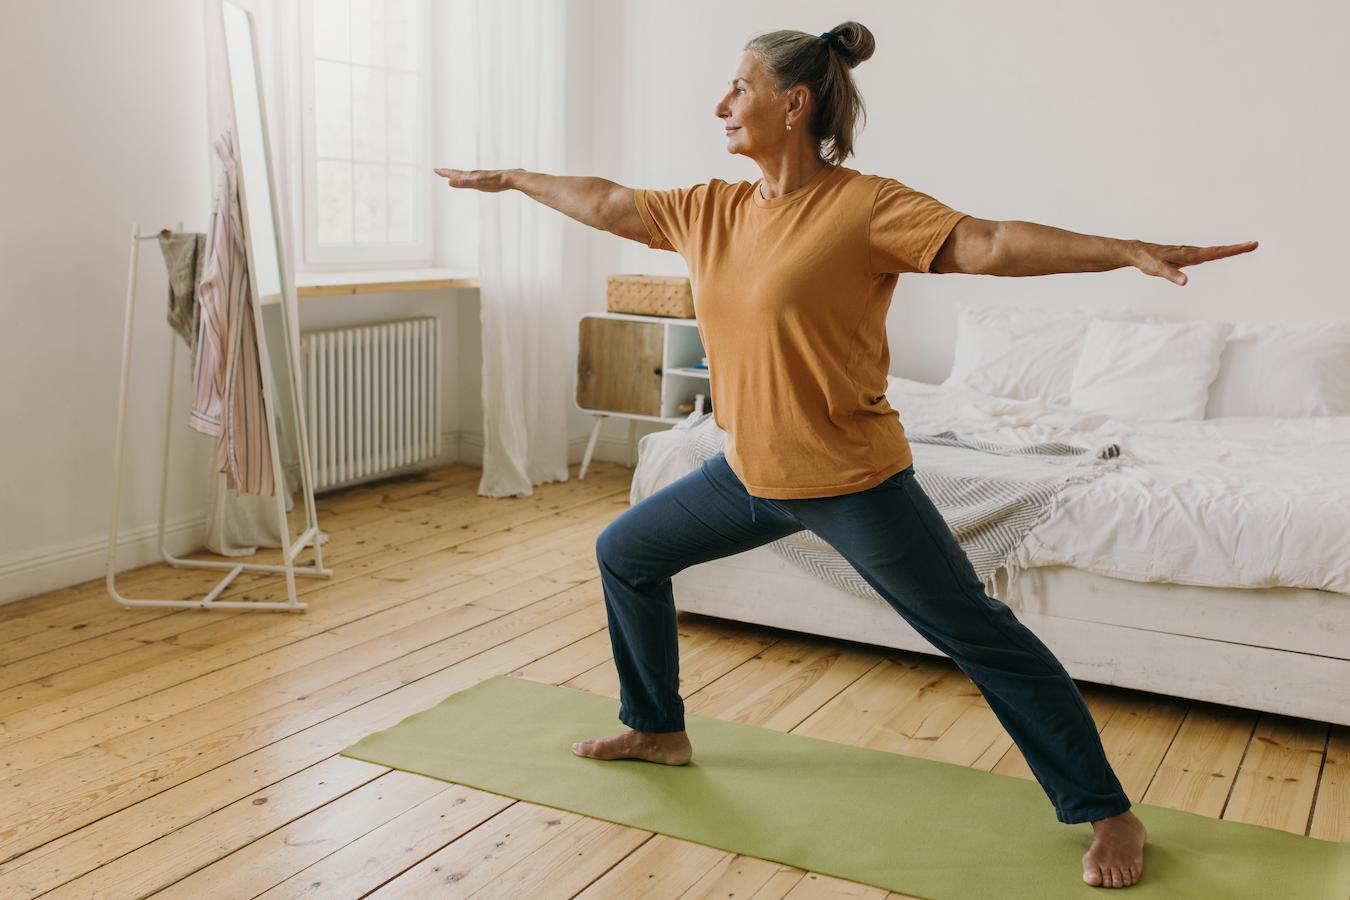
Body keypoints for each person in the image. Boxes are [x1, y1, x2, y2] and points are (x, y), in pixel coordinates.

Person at [435, 21, 1257, 891]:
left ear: (794, 104)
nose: (721, 104)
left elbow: (989, 243)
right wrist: (520, 178)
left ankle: (1108, 810)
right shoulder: (709, 209)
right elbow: (606, 202)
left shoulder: (862, 208)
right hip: (747, 474)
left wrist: (1122, 251)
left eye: (739, 89)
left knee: (983, 639)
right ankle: (658, 728)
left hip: (852, 483)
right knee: (624, 553)